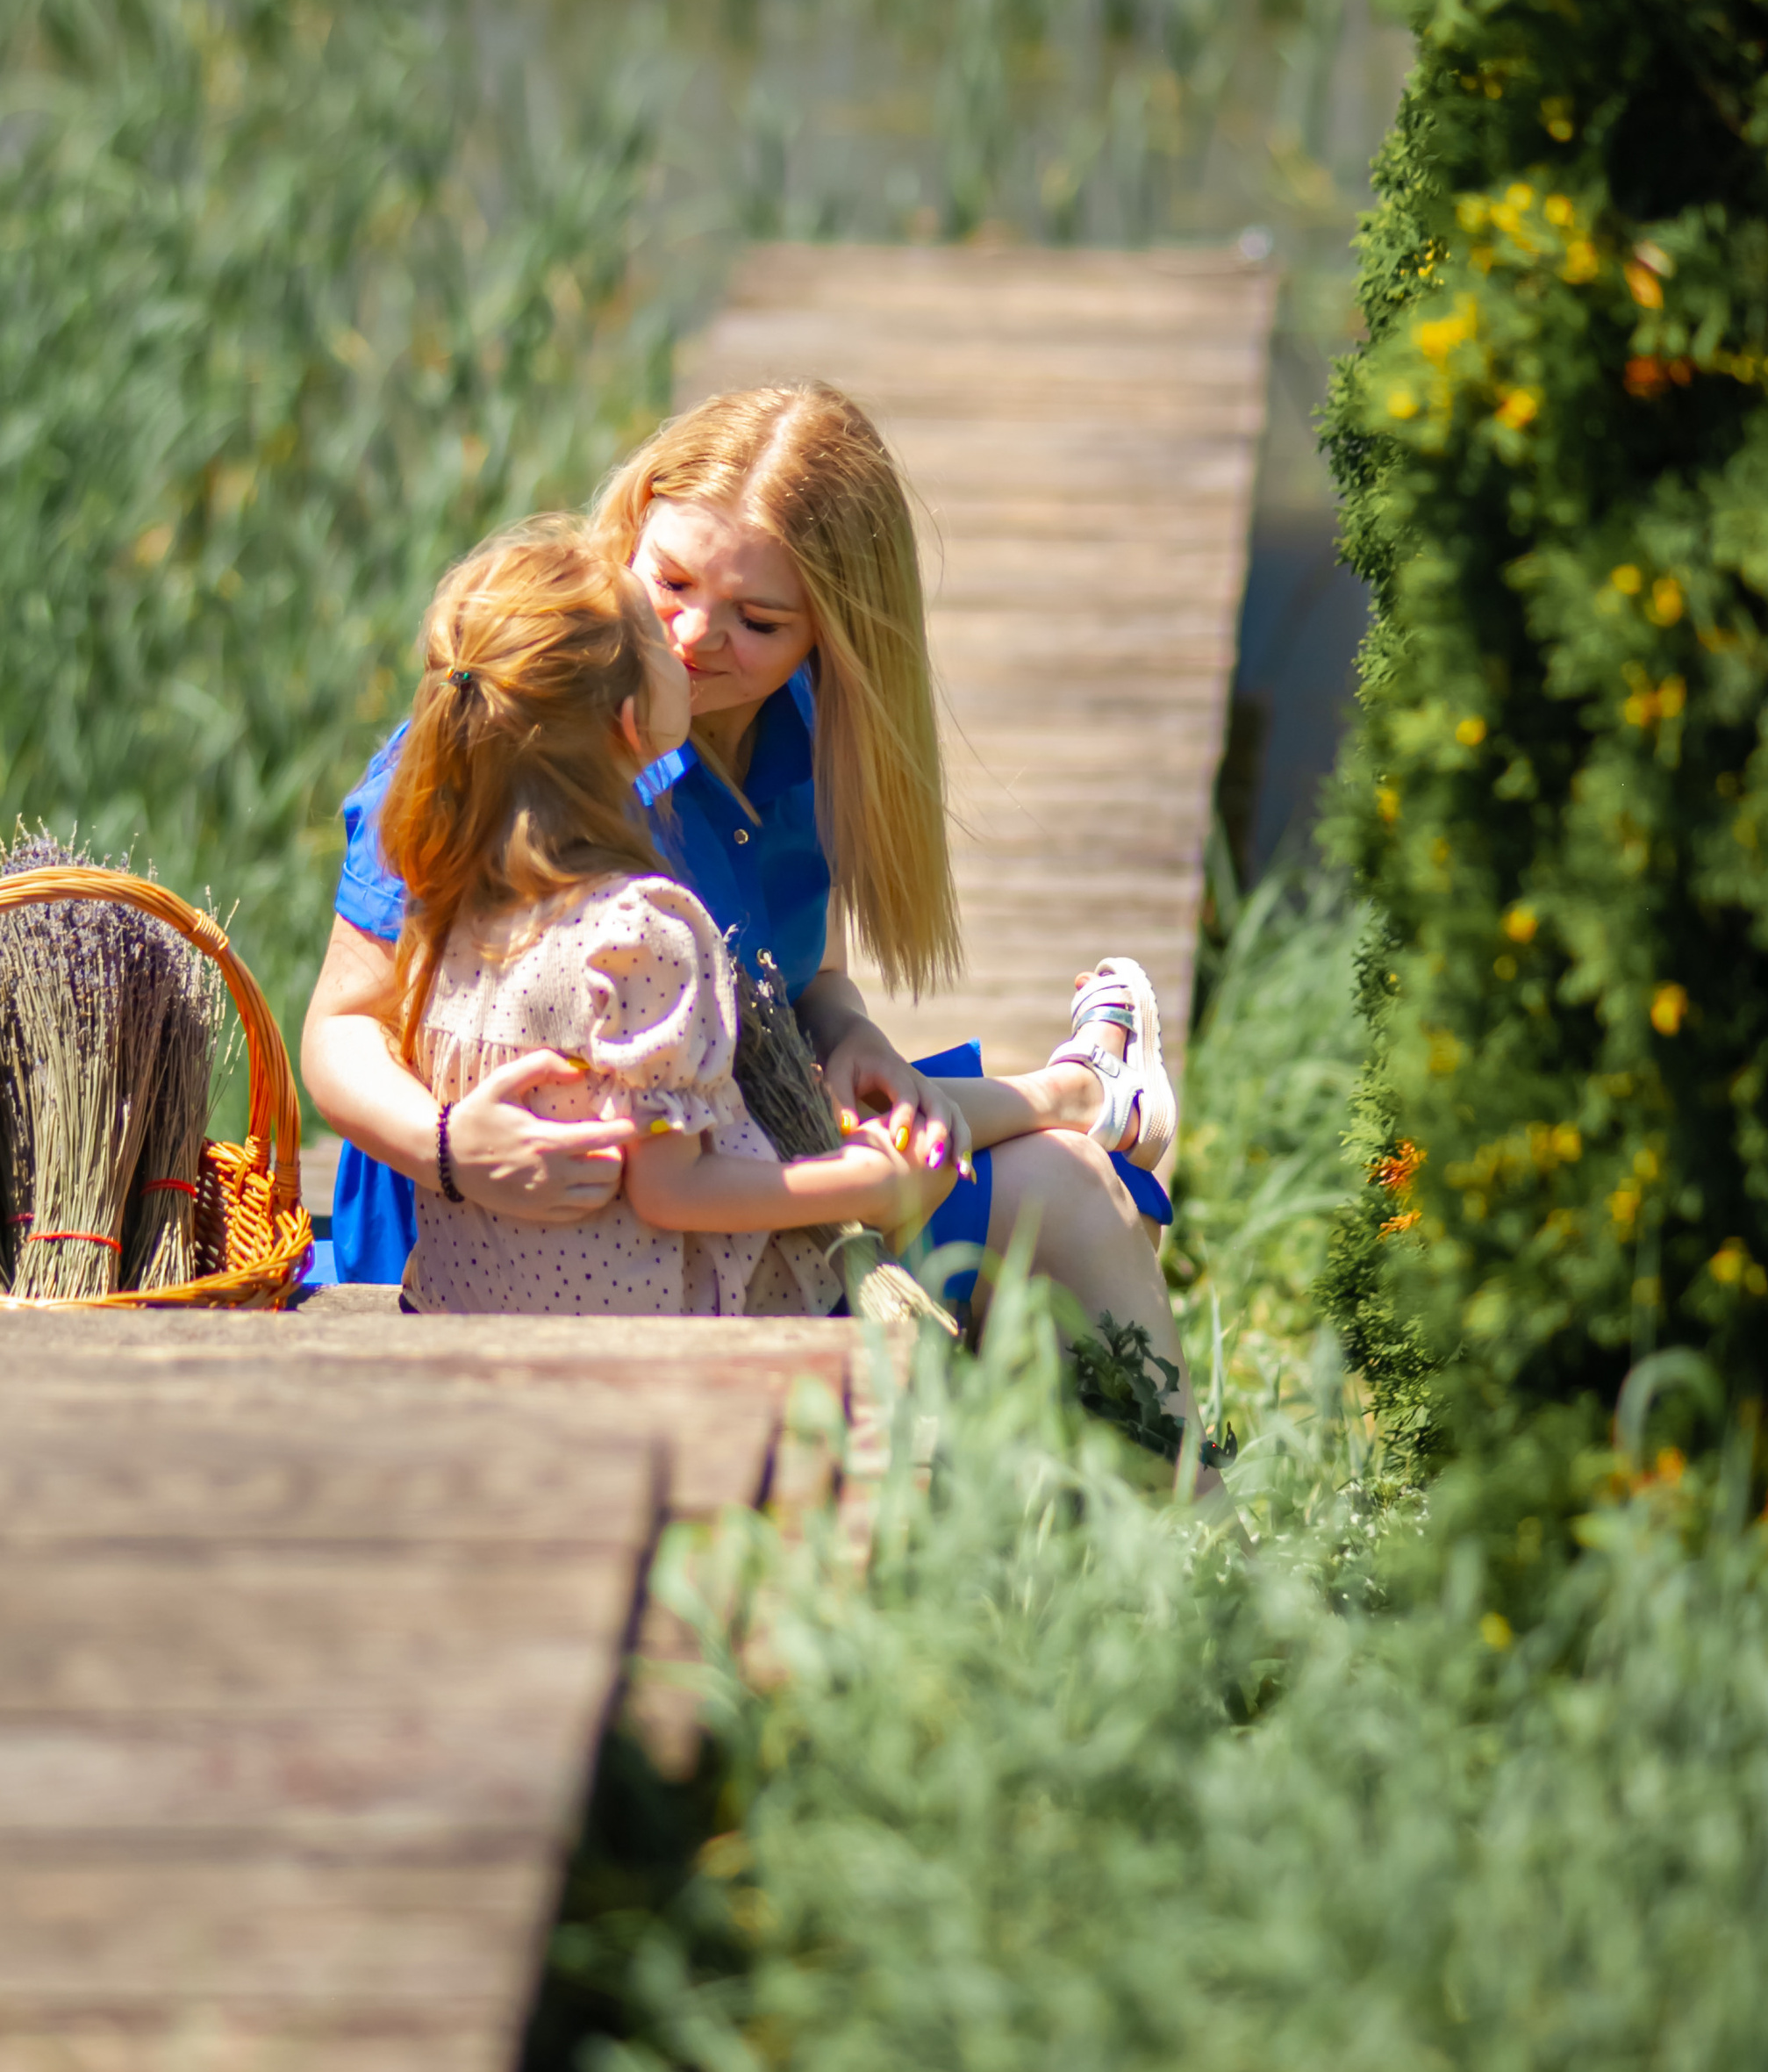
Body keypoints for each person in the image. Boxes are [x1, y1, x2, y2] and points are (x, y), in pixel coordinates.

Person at [303, 382, 1192, 1400]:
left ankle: (1181, 1527)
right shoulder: (500, 737)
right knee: (1052, 1178)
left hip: (731, 1190)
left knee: (1070, 1190)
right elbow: (338, 1029)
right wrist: (453, 1148)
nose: (692, 637)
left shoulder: (806, 734)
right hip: (504, 1236)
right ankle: (1082, 1093)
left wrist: (850, 1032)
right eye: (670, 582)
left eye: (758, 620)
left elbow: (799, 969)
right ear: (627, 532)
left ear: (832, 637)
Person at [374, 520, 929, 1315]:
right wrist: (869, 1183)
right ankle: (1082, 1093)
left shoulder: (454, 905)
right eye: (658, 637)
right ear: (635, 722)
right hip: (637, 1340)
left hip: (456, 1311)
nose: (688, 642)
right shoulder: (642, 936)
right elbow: (672, 1193)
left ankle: (1073, 1093)